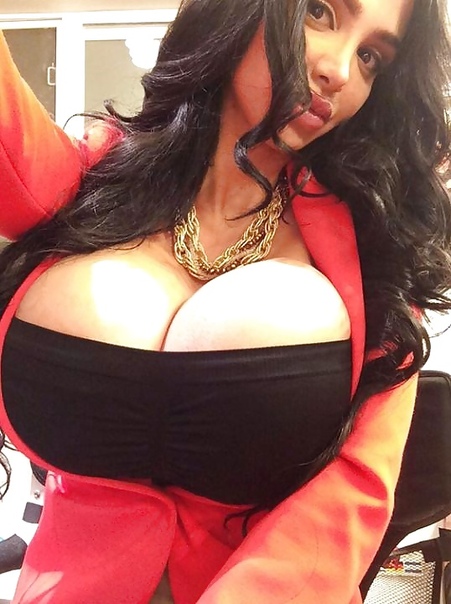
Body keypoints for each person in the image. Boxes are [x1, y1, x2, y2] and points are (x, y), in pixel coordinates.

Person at [0, 0, 450, 602]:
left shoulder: (373, 250)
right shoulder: (95, 179)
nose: (340, 71)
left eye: (371, 57)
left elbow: (356, 485)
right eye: (320, 13)